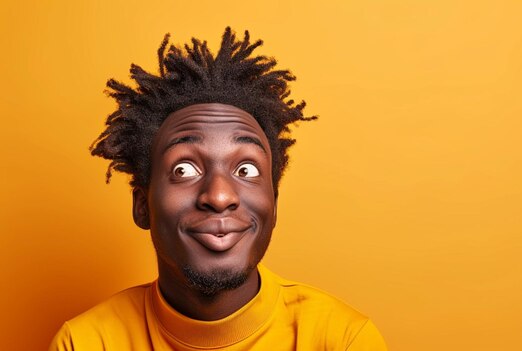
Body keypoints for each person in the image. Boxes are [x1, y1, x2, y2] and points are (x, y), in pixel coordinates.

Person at [49, 28, 387, 350]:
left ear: (274, 202)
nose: (220, 196)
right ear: (142, 204)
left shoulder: (342, 341)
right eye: (183, 169)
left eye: (246, 169)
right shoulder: (86, 343)